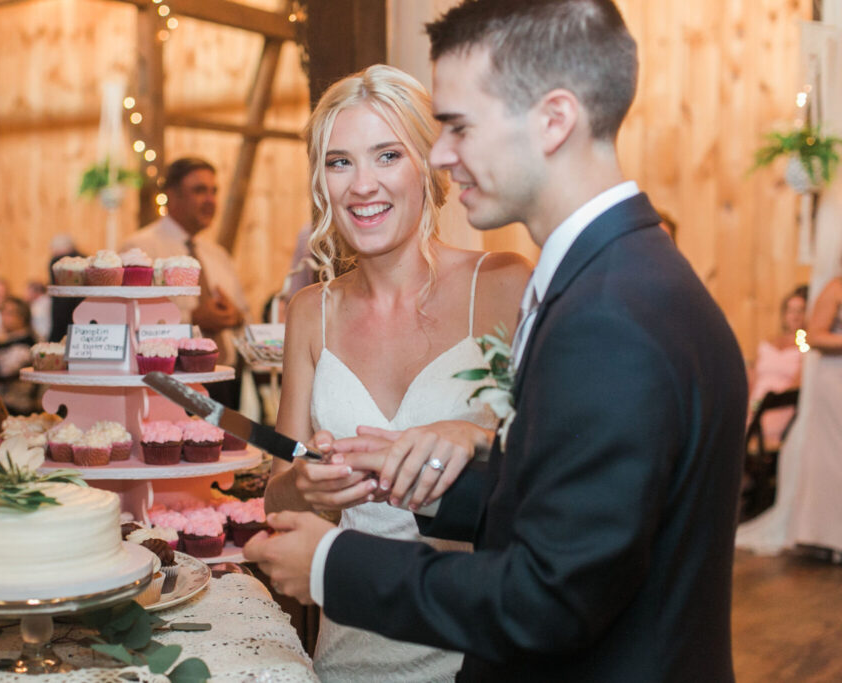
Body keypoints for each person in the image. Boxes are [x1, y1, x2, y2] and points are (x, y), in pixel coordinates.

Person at [244, 2, 748, 681]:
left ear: (553, 120)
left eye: (457, 126)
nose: (443, 153)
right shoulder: (622, 278)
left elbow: (551, 598)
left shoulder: (610, 315)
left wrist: (334, 565)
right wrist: (419, 475)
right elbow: (569, 507)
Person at [263, 64, 530, 682]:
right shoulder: (311, 312)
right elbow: (276, 498)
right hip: (348, 650)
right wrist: (307, 486)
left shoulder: (502, 285)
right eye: (339, 162)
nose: (362, 185)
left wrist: (476, 440)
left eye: (387, 155)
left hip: (479, 647)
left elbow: (555, 469)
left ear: (429, 164)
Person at [122, 157, 249, 407]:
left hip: (224, 379)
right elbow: (129, 318)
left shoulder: (218, 255)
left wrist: (235, 317)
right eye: (199, 191)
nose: (210, 200)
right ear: (172, 195)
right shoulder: (140, 249)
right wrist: (193, 319)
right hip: (172, 382)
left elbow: (244, 313)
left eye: (214, 191)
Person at [787, 272, 842, 557]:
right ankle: (829, 535)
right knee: (834, 457)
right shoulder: (835, 288)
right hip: (835, 380)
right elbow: (813, 336)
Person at [748, 285, 807, 444]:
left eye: (800, 311)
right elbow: (754, 376)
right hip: (756, 403)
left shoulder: (804, 346)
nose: (795, 316)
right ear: (784, 314)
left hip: (780, 405)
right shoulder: (769, 342)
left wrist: (769, 402)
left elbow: (799, 381)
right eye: (791, 310)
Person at [0, 296, 37, 415]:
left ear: (22, 317)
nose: (3, 317)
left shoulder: (27, 344)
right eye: (2, 311)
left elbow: (4, 370)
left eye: (9, 313)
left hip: (14, 408)